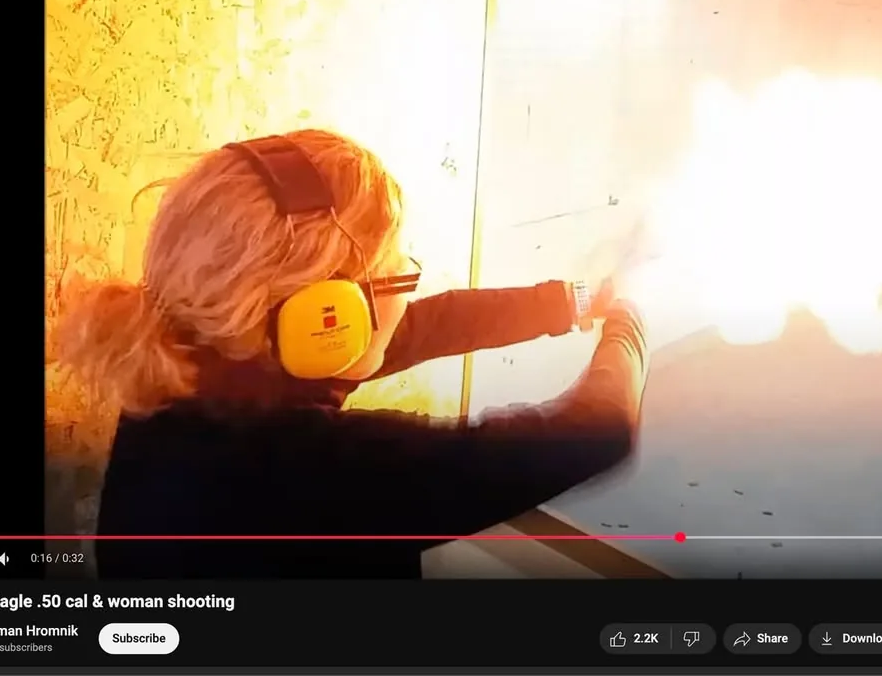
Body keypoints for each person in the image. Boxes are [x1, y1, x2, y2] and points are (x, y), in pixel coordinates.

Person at [54, 129, 650, 579]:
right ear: (323, 319)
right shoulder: (317, 472)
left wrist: (569, 303)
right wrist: (629, 322)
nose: (408, 285)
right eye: (396, 274)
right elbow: (596, 431)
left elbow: (419, 328)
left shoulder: (190, 375)